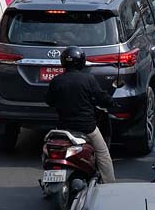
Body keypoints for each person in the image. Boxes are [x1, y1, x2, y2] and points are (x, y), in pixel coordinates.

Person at [45, 46, 115, 183]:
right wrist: (111, 103)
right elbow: (102, 98)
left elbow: (49, 101)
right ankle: (110, 186)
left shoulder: (56, 81)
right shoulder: (88, 80)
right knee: (103, 153)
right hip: (87, 127)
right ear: (81, 62)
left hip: (63, 127)